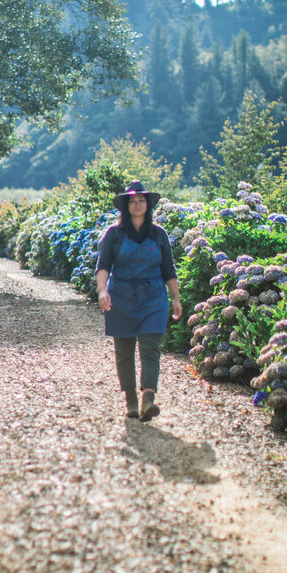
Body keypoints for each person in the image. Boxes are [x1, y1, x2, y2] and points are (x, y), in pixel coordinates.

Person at [95, 180, 182, 420]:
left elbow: (168, 269)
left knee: (150, 350)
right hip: (121, 297)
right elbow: (103, 266)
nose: (137, 205)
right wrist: (103, 291)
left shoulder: (159, 234)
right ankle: (130, 401)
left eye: (141, 200)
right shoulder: (114, 234)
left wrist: (175, 298)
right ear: (125, 206)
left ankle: (148, 399)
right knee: (124, 352)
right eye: (132, 201)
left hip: (153, 298)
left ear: (148, 204)